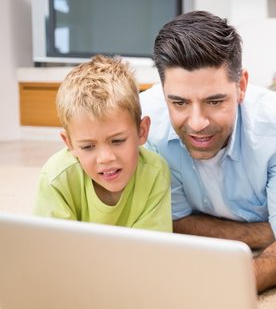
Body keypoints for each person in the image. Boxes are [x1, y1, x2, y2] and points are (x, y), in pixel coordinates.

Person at [139, 11, 276, 292]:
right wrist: (266, 232)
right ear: (163, 91)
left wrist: (238, 282)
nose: (197, 123)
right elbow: (171, 223)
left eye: (214, 101)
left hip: (267, 110)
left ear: (241, 86)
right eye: (179, 102)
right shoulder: (145, 123)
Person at [34, 55, 172, 232]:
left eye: (117, 141)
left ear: (142, 131)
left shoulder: (155, 172)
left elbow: (151, 251)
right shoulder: (55, 177)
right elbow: (53, 251)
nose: (106, 158)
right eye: (88, 146)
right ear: (69, 144)